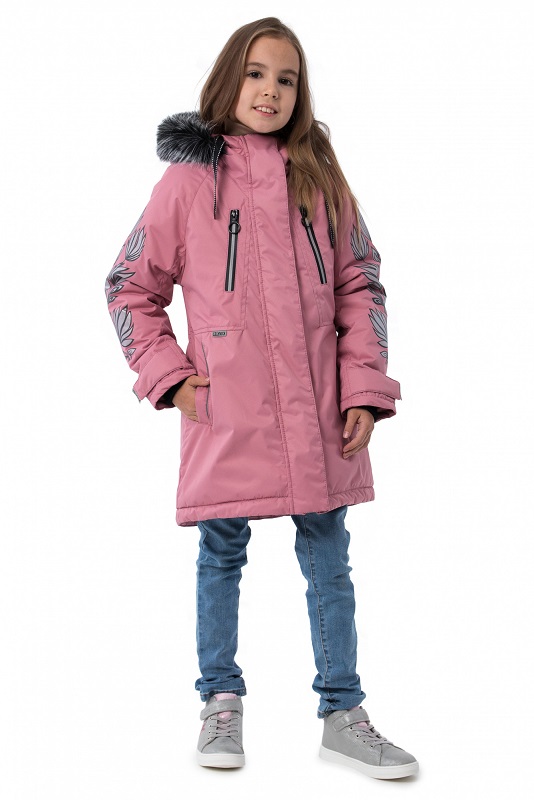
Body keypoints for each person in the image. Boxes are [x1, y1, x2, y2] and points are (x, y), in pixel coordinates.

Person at [105, 17, 418, 779]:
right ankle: (220, 701)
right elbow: (129, 285)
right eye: (255, 73)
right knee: (221, 553)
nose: (270, 90)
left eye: (285, 78)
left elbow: (360, 284)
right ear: (227, 80)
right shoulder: (188, 182)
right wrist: (170, 376)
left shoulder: (320, 179)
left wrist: (363, 388)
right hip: (228, 410)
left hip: (319, 411)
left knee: (330, 559)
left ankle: (343, 712)